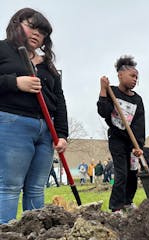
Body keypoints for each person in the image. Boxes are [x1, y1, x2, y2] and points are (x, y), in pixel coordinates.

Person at [0, 8, 68, 224]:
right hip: (13, 123)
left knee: (37, 187)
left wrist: (62, 134)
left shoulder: (48, 64)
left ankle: (34, 233)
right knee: (10, 185)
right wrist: (15, 82)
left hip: (46, 131)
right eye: (32, 26)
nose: (37, 34)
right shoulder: (2, 49)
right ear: (16, 24)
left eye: (43, 32)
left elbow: (59, 99)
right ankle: (6, 232)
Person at [97, 55, 145, 213]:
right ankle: (116, 207)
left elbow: (139, 124)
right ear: (120, 75)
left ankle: (127, 202)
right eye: (132, 76)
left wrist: (138, 146)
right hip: (116, 139)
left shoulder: (137, 100)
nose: (135, 80)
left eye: (136, 77)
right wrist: (103, 90)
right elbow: (103, 112)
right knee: (122, 173)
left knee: (132, 173)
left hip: (131, 142)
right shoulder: (113, 92)